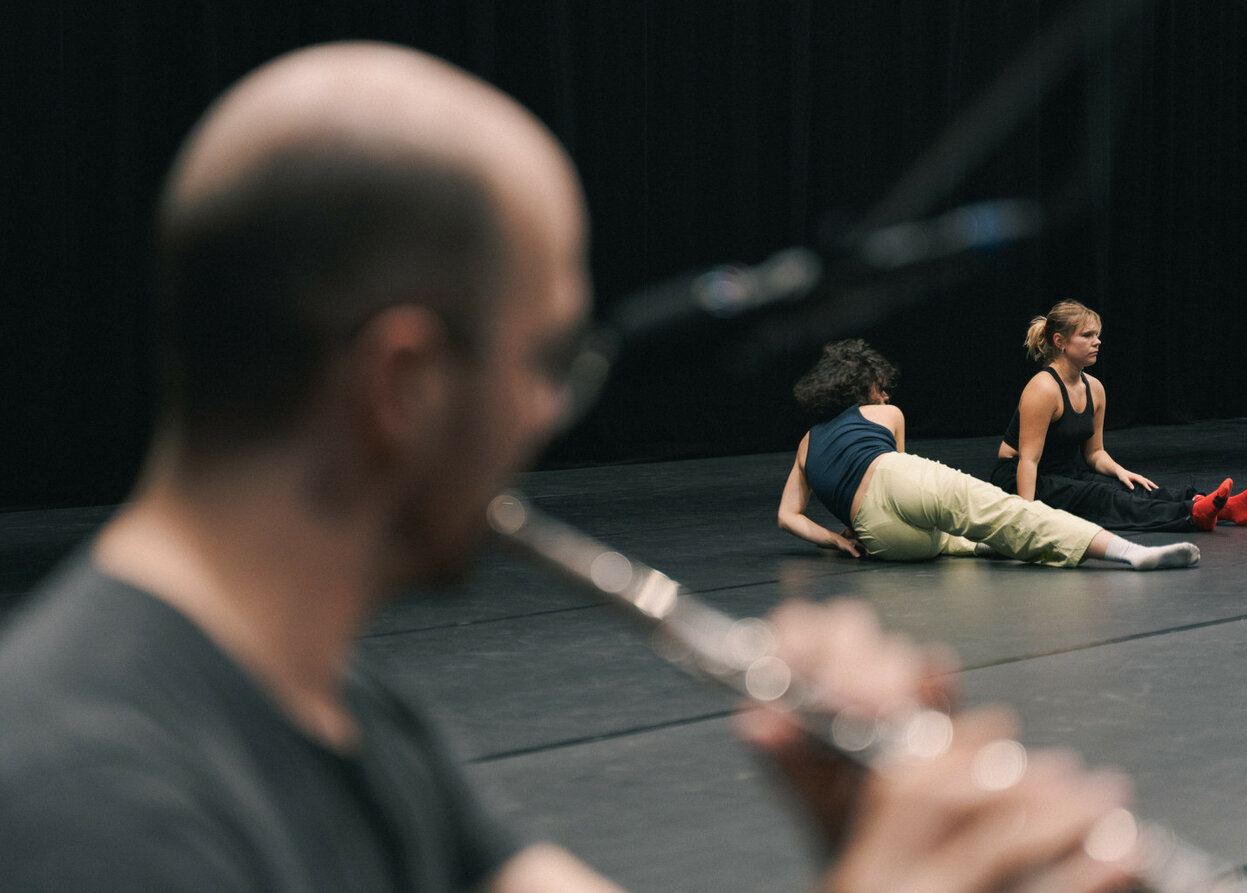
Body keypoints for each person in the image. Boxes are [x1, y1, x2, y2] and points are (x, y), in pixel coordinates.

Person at [0, 43, 1142, 893]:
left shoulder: (344, 716)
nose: (551, 413)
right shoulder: (82, 796)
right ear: (403, 382)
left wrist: (851, 835)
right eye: (545, 357)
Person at [779, 339, 1201, 570]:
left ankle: (994, 547)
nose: (885, 391)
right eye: (878, 384)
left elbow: (788, 516)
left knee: (958, 540)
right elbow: (901, 469)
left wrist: (837, 539)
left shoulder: (805, 444)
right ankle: (1131, 553)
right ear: (860, 387)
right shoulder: (886, 412)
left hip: (878, 538)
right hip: (891, 478)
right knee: (1002, 513)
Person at [990, 300, 1247, 532]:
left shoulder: (1095, 389)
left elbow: (1095, 453)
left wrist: (1120, 471)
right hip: (1022, 478)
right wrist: (1025, 517)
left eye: (1097, 335)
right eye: (1087, 336)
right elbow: (1028, 461)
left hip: (1062, 472)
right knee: (1103, 497)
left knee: (1131, 487)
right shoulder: (1043, 388)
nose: (1097, 342)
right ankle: (1193, 514)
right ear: (1060, 341)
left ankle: (1229, 508)